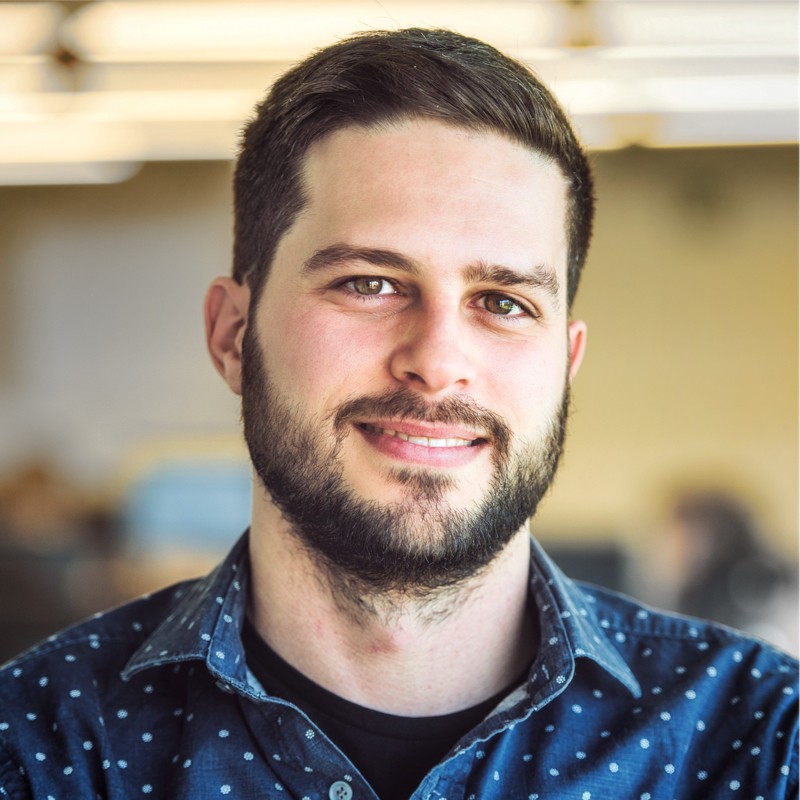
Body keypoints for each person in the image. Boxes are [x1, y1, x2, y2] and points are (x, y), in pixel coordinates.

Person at [0, 28, 796, 800]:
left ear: (565, 365)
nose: (438, 359)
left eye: (503, 301)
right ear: (233, 336)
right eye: (369, 283)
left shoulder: (762, 745)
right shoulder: (36, 746)